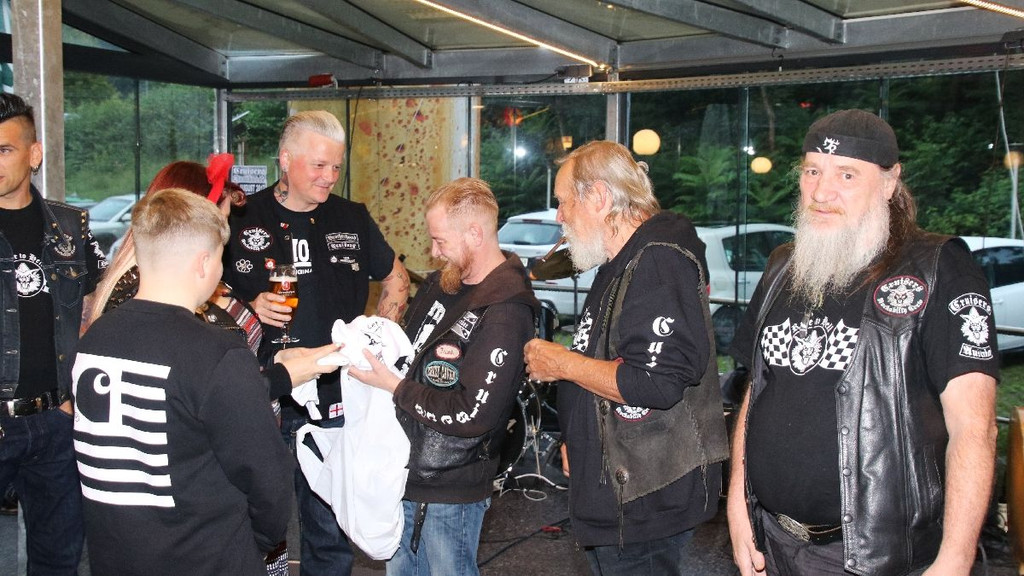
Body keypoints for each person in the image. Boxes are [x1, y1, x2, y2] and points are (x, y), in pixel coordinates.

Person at [726, 109, 999, 576]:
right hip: (774, 539)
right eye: (812, 171)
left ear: (889, 183)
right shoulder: (784, 267)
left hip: (875, 556)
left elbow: (974, 429)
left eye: (846, 175)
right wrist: (738, 503)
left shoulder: (939, 269)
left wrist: (955, 557)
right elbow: (758, 389)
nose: (821, 192)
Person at [87, 158, 340, 575]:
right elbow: (268, 478)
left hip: (120, 552)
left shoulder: (96, 338)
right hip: (209, 553)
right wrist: (254, 544)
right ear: (205, 262)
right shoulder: (215, 351)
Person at [522, 140, 729, 575]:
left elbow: (657, 382)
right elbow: (606, 361)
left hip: (646, 497)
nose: (559, 216)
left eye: (563, 202)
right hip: (620, 488)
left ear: (599, 197)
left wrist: (560, 363)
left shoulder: (657, 261)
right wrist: (578, 441)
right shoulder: (619, 262)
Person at [221, 109, 410, 576]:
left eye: (336, 166)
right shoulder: (242, 215)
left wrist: (376, 341)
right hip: (261, 395)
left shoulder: (351, 217)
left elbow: (397, 279)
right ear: (286, 160)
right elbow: (199, 287)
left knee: (330, 533)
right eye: (318, 165)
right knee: (254, 528)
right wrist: (245, 305)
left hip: (335, 399)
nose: (329, 177)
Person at [349, 177, 539, 576]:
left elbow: (473, 414)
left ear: (474, 234)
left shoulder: (506, 310)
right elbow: (410, 354)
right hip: (404, 471)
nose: (434, 252)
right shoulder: (442, 283)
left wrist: (394, 387)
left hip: (450, 487)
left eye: (440, 241)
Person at [0, 92, 107, 574]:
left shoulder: (70, 226)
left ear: (34, 153)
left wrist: (73, 400)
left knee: (58, 561)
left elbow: (102, 305)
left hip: (56, 422)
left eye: (4, 149)